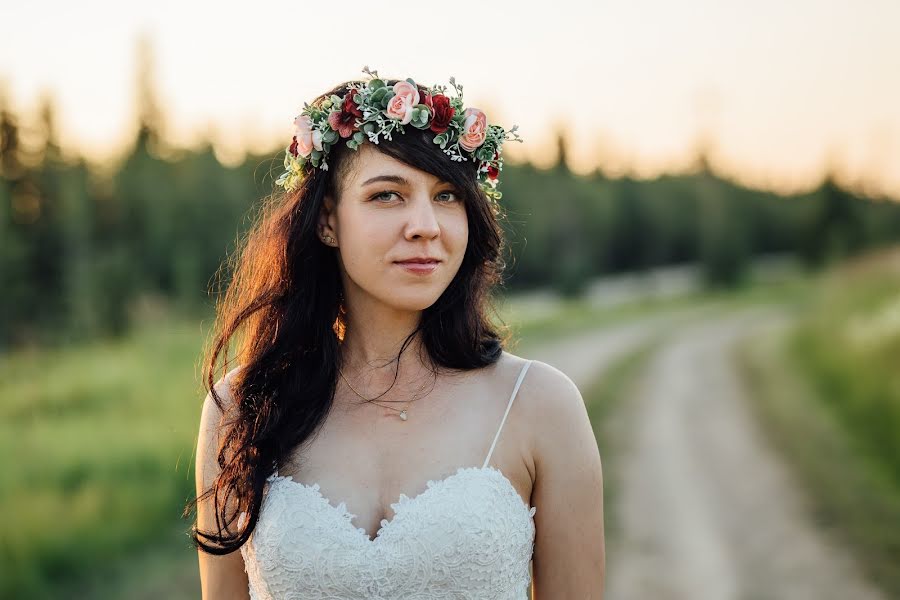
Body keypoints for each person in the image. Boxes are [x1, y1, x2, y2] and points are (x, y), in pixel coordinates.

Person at [187, 67, 605, 599]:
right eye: (388, 195)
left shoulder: (541, 406)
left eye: (448, 195)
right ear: (327, 222)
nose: (426, 225)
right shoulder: (241, 409)